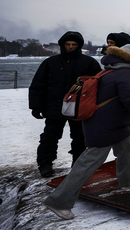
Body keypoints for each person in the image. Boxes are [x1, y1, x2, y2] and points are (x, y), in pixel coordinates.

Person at [43, 44, 130, 220]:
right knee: (88, 162)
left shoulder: (109, 71)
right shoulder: (126, 74)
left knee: (129, 143)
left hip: (108, 123)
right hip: (106, 125)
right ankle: (58, 201)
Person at [28, 31, 102, 177]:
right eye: (67, 44)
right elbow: (38, 84)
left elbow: (99, 85)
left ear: (79, 46)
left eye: (74, 45)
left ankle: (78, 165)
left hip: (80, 107)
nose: (70, 47)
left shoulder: (89, 63)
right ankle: (45, 164)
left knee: (80, 137)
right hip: (54, 106)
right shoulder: (50, 62)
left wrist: (97, 106)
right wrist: (36, 106)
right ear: (62, 45)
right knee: (49, 137)